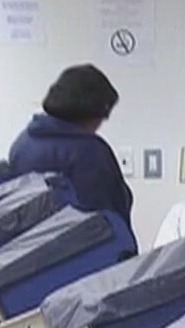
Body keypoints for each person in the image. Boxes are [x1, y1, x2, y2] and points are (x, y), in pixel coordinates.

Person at [9, 63, 134, 230]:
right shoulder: (89, 152)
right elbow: (110, 217)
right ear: (92, 111)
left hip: (26, 249)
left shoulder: (22, 144)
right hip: (86, 250)